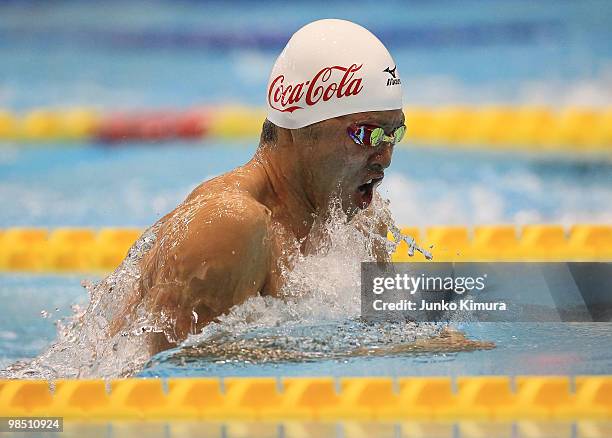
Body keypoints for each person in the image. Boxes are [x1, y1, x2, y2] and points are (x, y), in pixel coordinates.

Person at [110, 19, 406, 354]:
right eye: (367, 134)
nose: (385, 157)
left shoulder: (362, 226)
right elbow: (175, 386)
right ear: (300, 124)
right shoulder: (230, 226)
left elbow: (402, 335)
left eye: (395, 134)